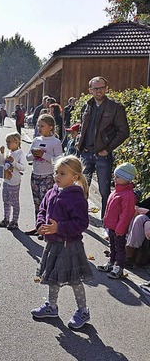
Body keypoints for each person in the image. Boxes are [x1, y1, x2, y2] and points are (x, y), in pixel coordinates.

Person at [31, 155, 93, 330]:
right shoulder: (52, 191)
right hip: (53, 243)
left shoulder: (76, 197)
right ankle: (52, 306)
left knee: (74, 280)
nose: (57, 176)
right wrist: (41, 224)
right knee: (52, 277)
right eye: (56, 172)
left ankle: (83, 310)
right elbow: (42, 209)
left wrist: (59, 228)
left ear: (74, 177)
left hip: (69, 245)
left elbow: (81, 223)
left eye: (62, 173)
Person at [75, 76, 130, 218]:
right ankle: (81, 216)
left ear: (106, 88)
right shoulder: (86, 105)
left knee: (104, 190)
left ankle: (106, 221)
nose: (98, 91)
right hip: (85, 153)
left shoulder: (116, 107)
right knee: (81, 188)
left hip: (102, 155)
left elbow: (124, 132)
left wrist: (108, 149)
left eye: (101, 88)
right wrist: (78, 141)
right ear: (90, 90)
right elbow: (82, 127)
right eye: (95, 88)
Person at [96, 162, 137, 279]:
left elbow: (126, 214)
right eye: (115, 176)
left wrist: (121, 228)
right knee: (112, 245)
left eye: (118, 176)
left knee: (119, 248)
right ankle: (111, 262)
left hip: (119, 228)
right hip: (112, 226)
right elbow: (109, 208)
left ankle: (119, 267)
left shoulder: (128, 195)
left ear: (127, 179)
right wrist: (106, 220)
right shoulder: (116, 191)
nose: (115, 178)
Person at [25, 114, 63, 236]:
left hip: (47, 176)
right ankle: (38, 227)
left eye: (42, 126)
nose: (39, 128)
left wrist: (43, 155)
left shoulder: (55, 142)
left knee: (47, 203)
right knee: (37, 203)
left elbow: (58, 162)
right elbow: (27, 157)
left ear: (50, 127)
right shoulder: (36, 140)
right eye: (38, 126)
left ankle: (47, 229)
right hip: (35, 175)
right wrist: (34, 154)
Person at [0, 132, 27, 230]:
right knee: (6, 200)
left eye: (9, 142)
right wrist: (2, 154)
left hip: (14, 181)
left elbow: (23, 167)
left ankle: (14, 221)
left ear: (16, 142)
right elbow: (2, 163)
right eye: (6, 142)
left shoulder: (20, 154)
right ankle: (6, 219)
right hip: (6, 180)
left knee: (14, 202)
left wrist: (13, 162)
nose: (7, 144)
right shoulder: (9, 152)